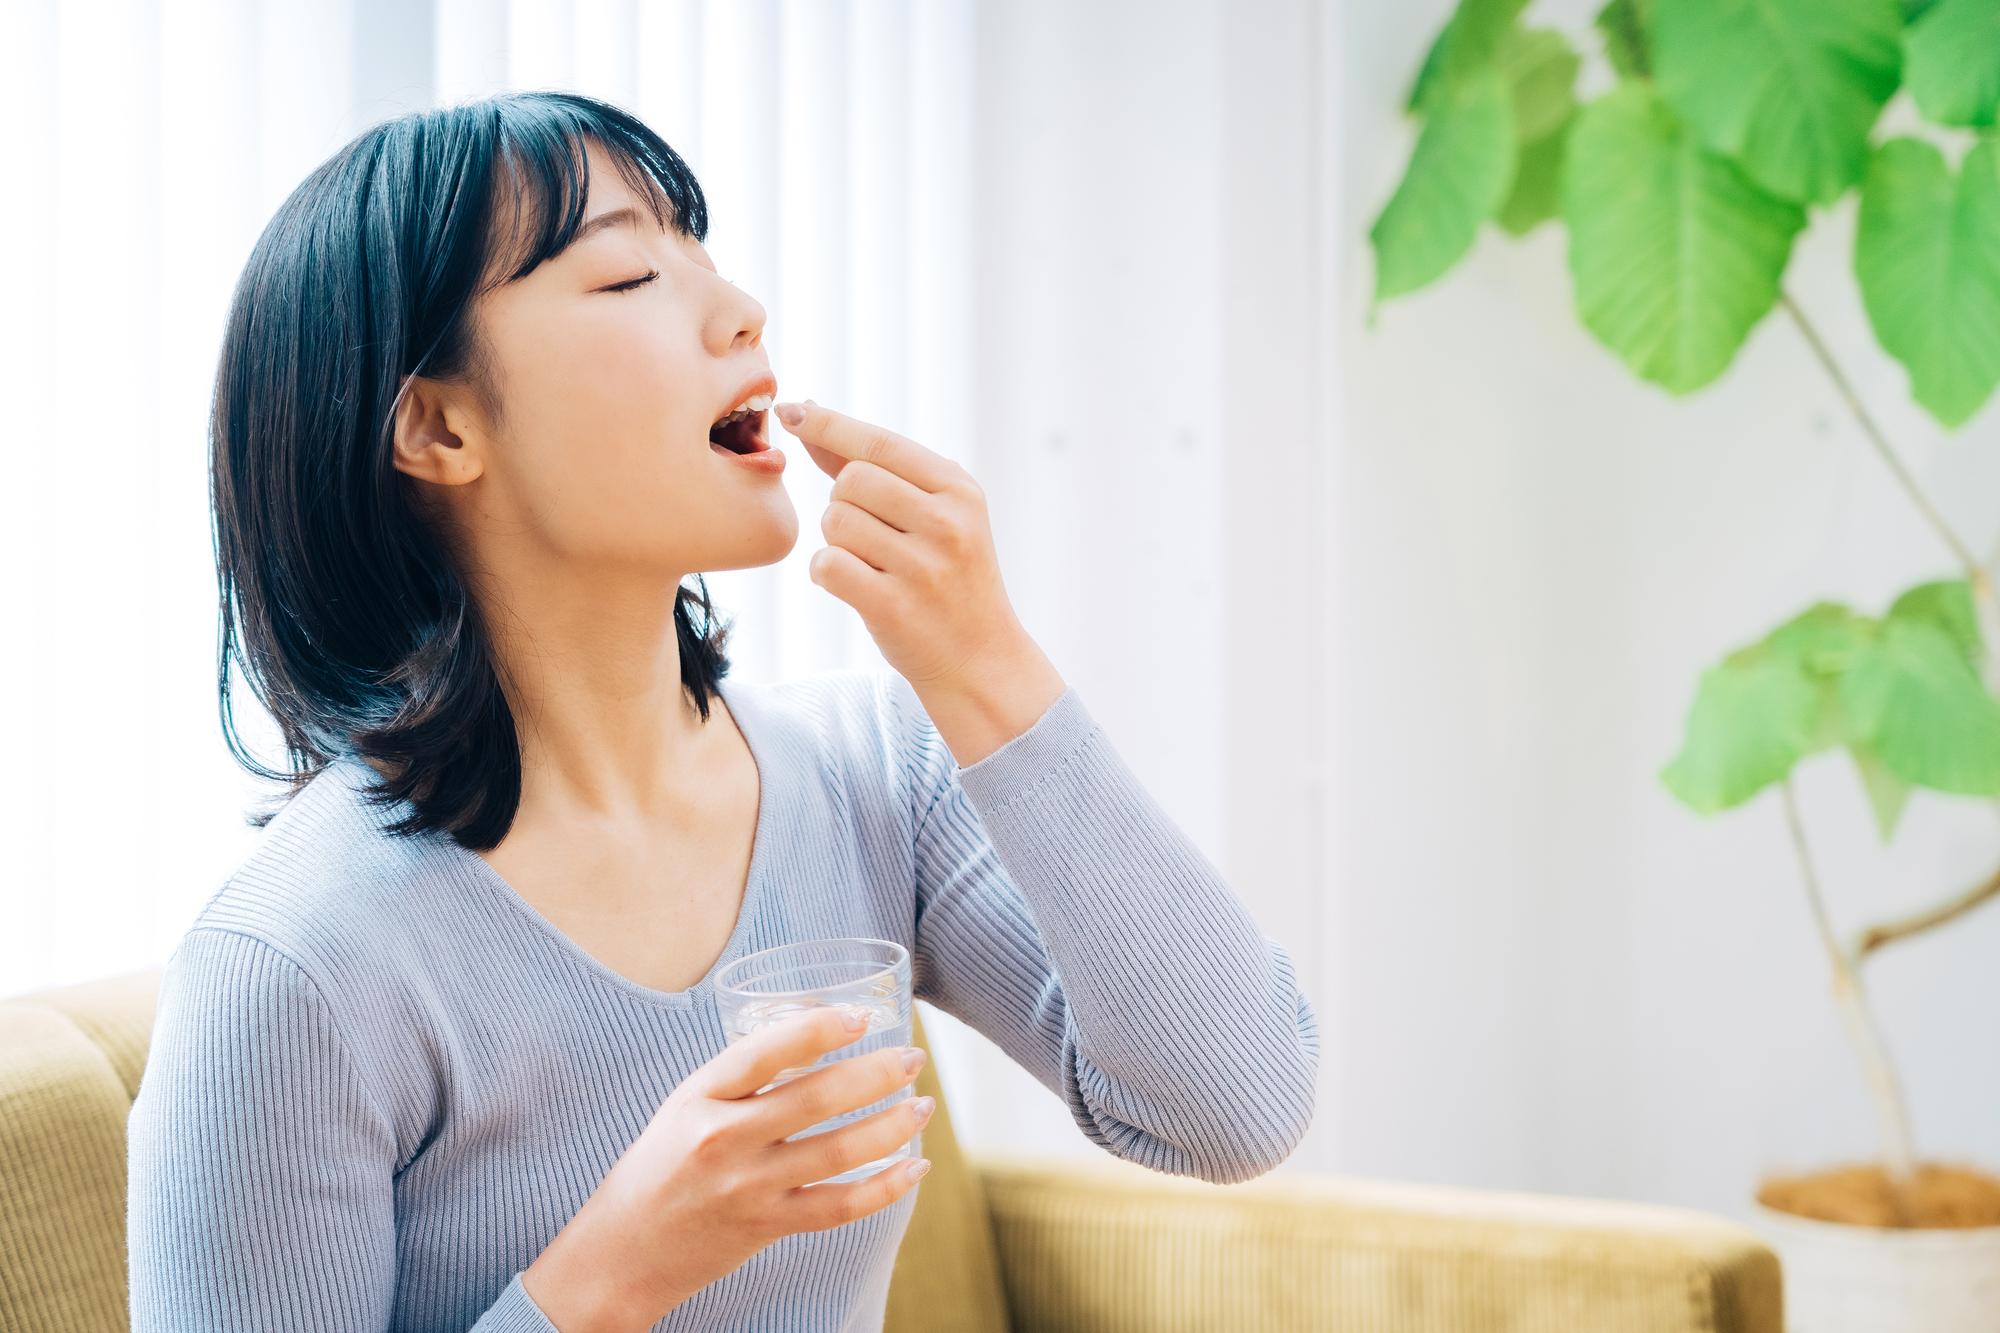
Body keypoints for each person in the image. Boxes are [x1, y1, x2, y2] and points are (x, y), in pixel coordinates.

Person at [127, 91, 1317, 1333]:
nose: (738, 307)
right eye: (631, 274)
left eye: (699, 249)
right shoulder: (295, 970)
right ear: (438, 423)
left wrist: (982, 663)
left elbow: (1233, 1106)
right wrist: (615, 1269)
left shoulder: (873, 773)